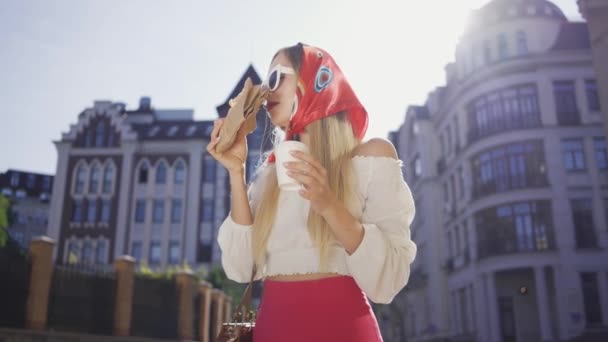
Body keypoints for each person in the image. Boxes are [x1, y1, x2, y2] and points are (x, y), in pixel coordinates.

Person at [206, 42, 417, 342]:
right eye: (266, 85)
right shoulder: (269, 175)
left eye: (277, 78)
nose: (267, 94)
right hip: (273, 331)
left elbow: (389, 280)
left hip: (344, 330)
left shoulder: (371, 158)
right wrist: (235, 172)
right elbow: (240, 268)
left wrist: (329, 204)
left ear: (316, 78)